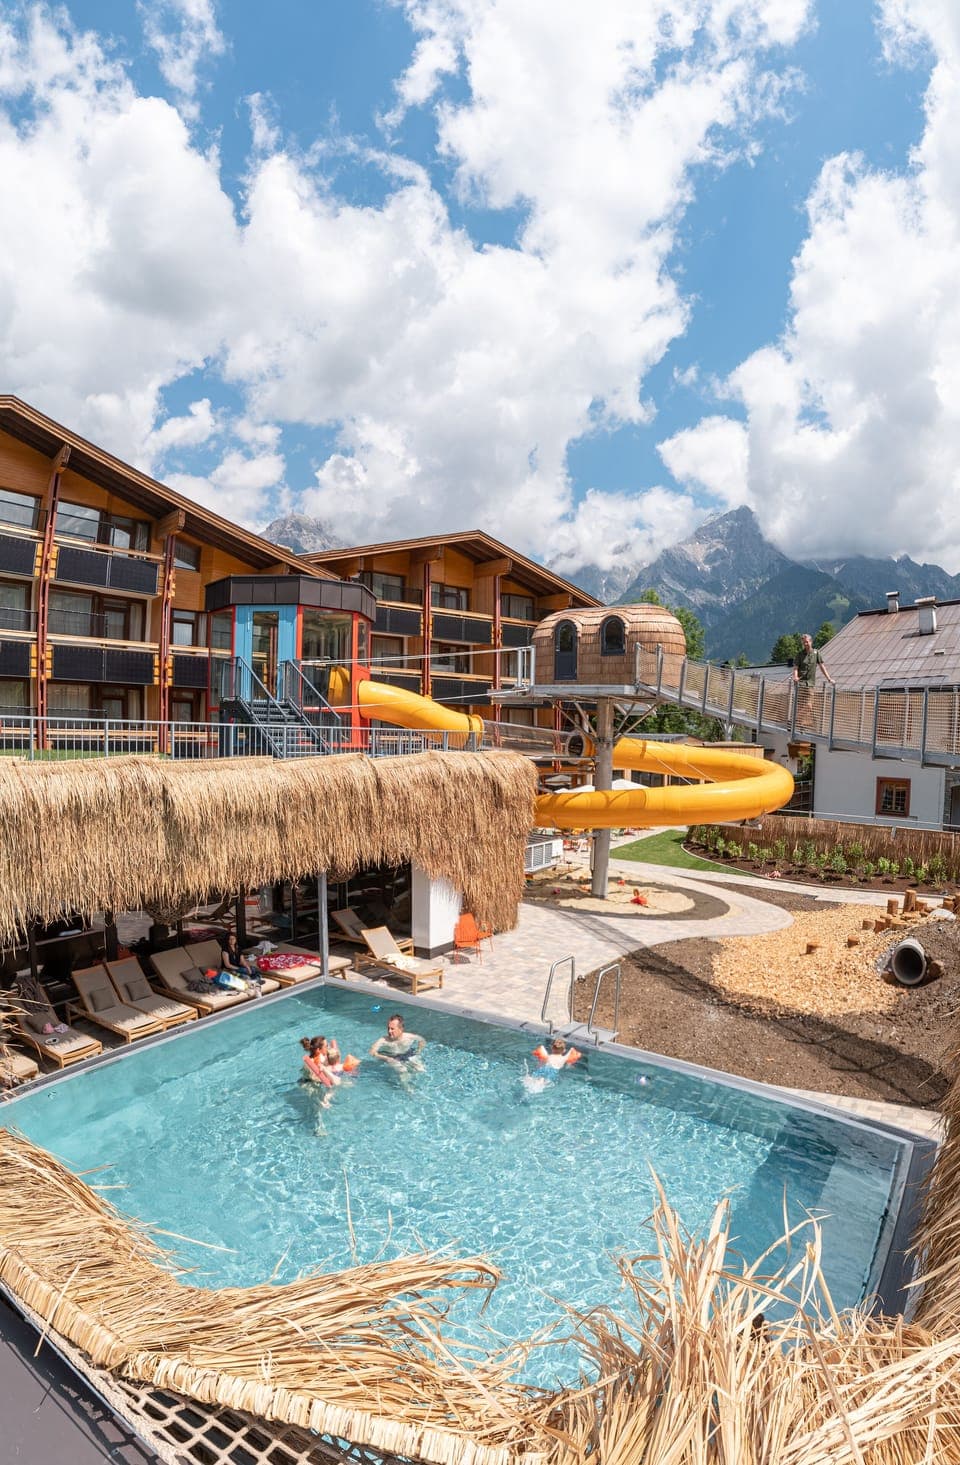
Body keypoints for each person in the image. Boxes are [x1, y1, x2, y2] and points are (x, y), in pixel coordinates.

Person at [792, 633, 834, 728]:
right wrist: (795, 677)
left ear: (811, 642)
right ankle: (799, 725)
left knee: (809, 706)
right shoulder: (799, 655)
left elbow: (822, 666)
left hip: (810, 684)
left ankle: (793, 721)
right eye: (804, 643)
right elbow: (795, 668)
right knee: (800, 706)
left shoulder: (816, 653)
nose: (806, 644)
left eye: (807, 642)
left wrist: (829, 679)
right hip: (800, 684)